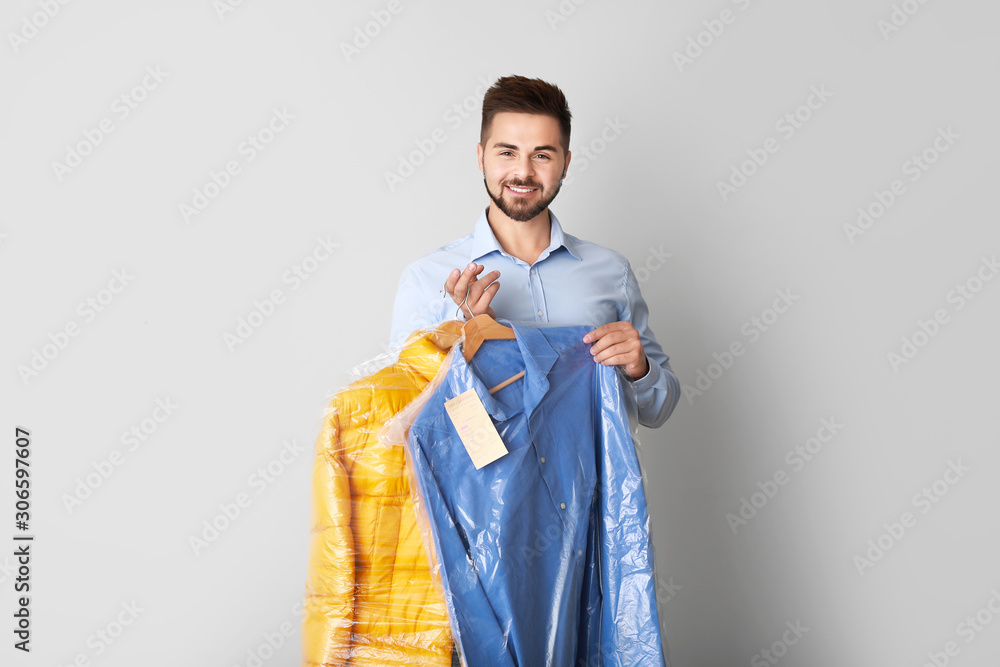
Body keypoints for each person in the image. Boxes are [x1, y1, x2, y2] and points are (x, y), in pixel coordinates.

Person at [389, 74, 679, 429]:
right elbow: (400, 423)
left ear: (566, 163)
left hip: (593, 486)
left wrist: (639, 368)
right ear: (481, 156)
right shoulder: (426, 278)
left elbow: (658, 410)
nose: (523, 172)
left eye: (541, 155)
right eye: (507, 152)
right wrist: (465, 341)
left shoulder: (611, 271)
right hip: (481, 486)